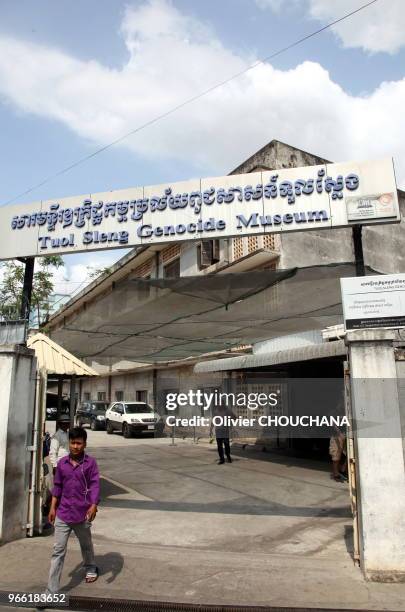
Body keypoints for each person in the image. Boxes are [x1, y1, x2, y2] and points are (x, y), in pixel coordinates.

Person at [45, 427, 100, 594]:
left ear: (85, 444)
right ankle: (50, 591)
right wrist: (53, 507)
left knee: (86, 545)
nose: (76, 446)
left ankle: (90, 567)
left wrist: (93, 505)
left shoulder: (90, 463)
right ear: (68, 443)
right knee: (58, 551)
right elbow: (58, 487)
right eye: (73, 443)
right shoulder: (62, 464)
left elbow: (95, 484)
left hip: (82, 514)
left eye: (79, 443)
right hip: (63, 513)